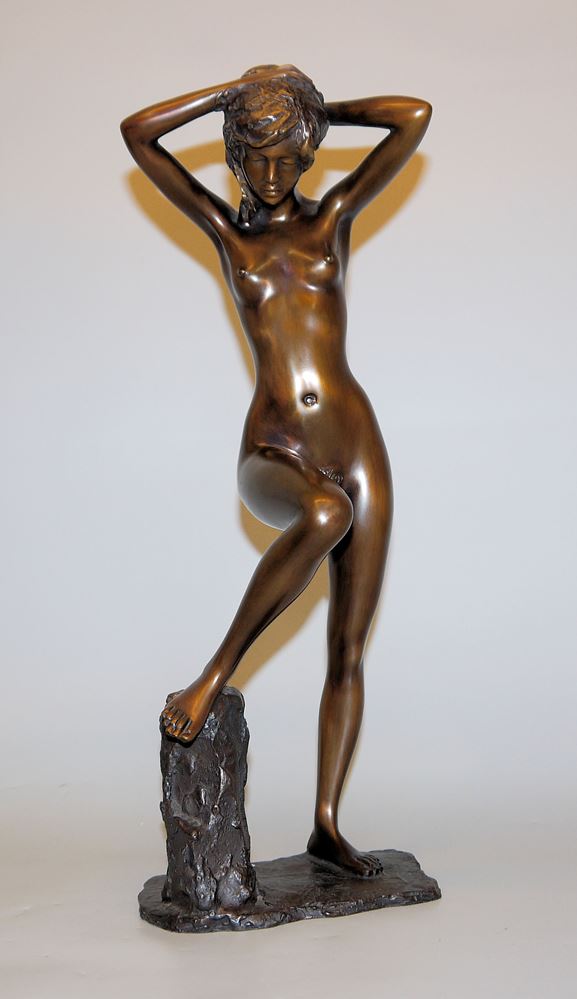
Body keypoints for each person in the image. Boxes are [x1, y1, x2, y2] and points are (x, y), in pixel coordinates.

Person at [121, 65, 432, 876]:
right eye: (255, 157)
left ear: (306, 154)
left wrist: (309, 107)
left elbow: (412, 115)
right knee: (323, 514)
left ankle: (327, 823)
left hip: (355, 442)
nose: (269, 175)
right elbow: (138, 135)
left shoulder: (332, 218)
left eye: (287, 158)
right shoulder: (228, 234)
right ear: (233, 155)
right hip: (274, 449)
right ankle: (214, 672)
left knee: (348, 647)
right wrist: (234, 93)